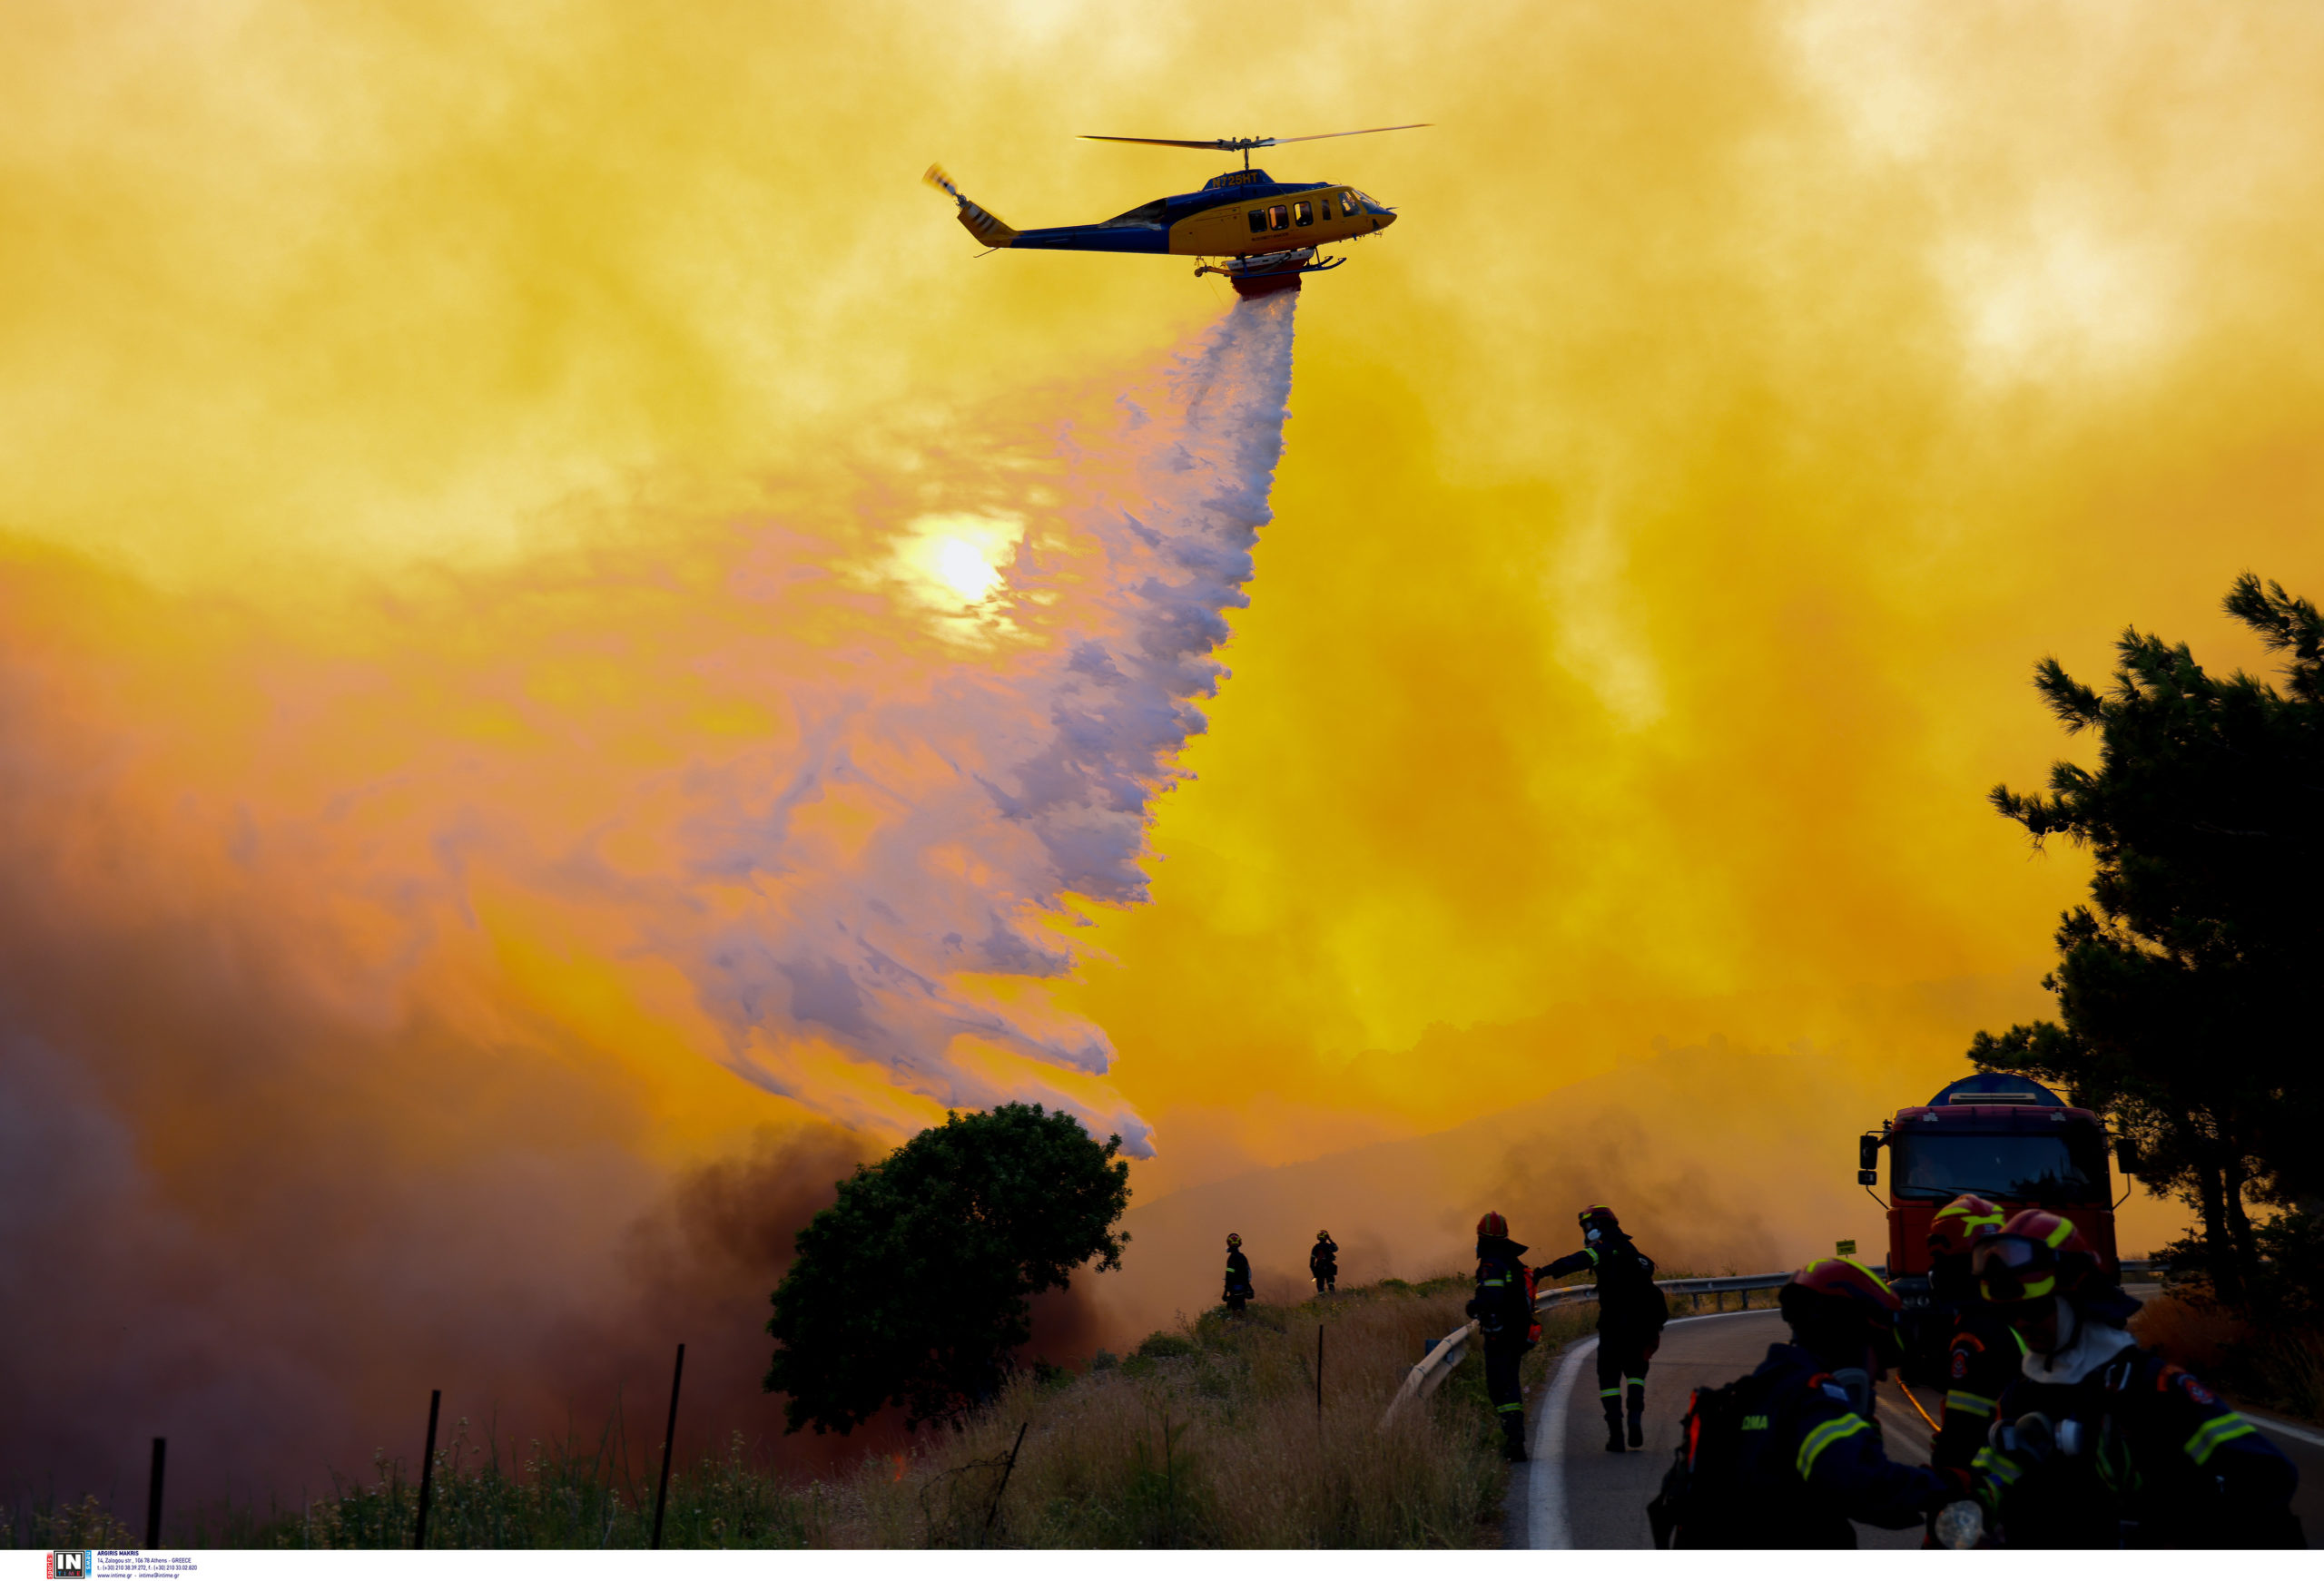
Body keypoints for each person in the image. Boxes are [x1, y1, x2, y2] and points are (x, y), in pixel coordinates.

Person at [1970, 1210, 2302, 1548]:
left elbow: (2266, 1477)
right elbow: (1991, 1479)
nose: (2022, 1324)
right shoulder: (2020, 1396)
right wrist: (1961, 1501)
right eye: (2011, 1312)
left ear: (2078, 1301)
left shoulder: (2153, 1387)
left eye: (2036, 1309)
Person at [1649, 1258, 1965, 1547]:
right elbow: (1861, 1484)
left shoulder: (1747, 1396)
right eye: (1880, 1355)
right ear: (1847, 1340)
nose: (1882, 1374)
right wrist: (1950, 1486)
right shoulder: (1813, 1401)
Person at [1536, 1203, 1668, 1450]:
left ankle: (1616, 1435)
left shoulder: (1602, 1249)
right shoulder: (1632, 1251)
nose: (1586, 1231)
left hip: (1613, 1325)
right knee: (1636, 1373)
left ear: (1597, 1226)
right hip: (1641, 1326)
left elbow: (1575, 1261)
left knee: (1608, 1377)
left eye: (1587, 1226)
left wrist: (1543, 1271)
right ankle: (1635, 1418)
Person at [1925, 1193, 2016, 1478]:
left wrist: (1946, 1477)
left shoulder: (1972, 1335)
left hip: (1992, 1482)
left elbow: (1962, 1434)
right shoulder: (2022, 1313)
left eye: (1938, 1259)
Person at [1466, 1211, 1538, 1461]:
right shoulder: (1511, 1260)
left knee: (1499, 1388)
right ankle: (1515, 1440)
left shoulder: (1491, 1263)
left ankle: (1514, 1442)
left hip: (1500, 1337)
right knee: (1510, 1385)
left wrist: (1474, 1306)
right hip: (1517, 1334)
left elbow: (1492, 1299)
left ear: (1481, 1236)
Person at [1221, 1232, 1254, 1317]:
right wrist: (1248, 1287)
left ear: (1228, 1244)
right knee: (1242, 1309)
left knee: (1234, 1311)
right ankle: (1244, 1322)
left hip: (1233, 1290)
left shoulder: (1231, 1259)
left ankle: (1236, 1322)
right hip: (1243, 1289)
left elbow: (1229, 1276)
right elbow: (1247, 1274)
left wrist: (1225, 1292)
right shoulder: (1243, 1257)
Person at [1309, 1230, 1339, 1295]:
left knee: (1320, 1286)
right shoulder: (1329, 1246)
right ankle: (1333, 1296)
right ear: (1326, 1237)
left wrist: (1315, 1273)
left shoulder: (1315, 1248)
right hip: (1329, 1267)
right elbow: (1336, 1248)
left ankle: (1322, 1298)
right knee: (1330, 1282)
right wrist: (1330, 1240)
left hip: (1319, 1268)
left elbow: (1311, 1263)